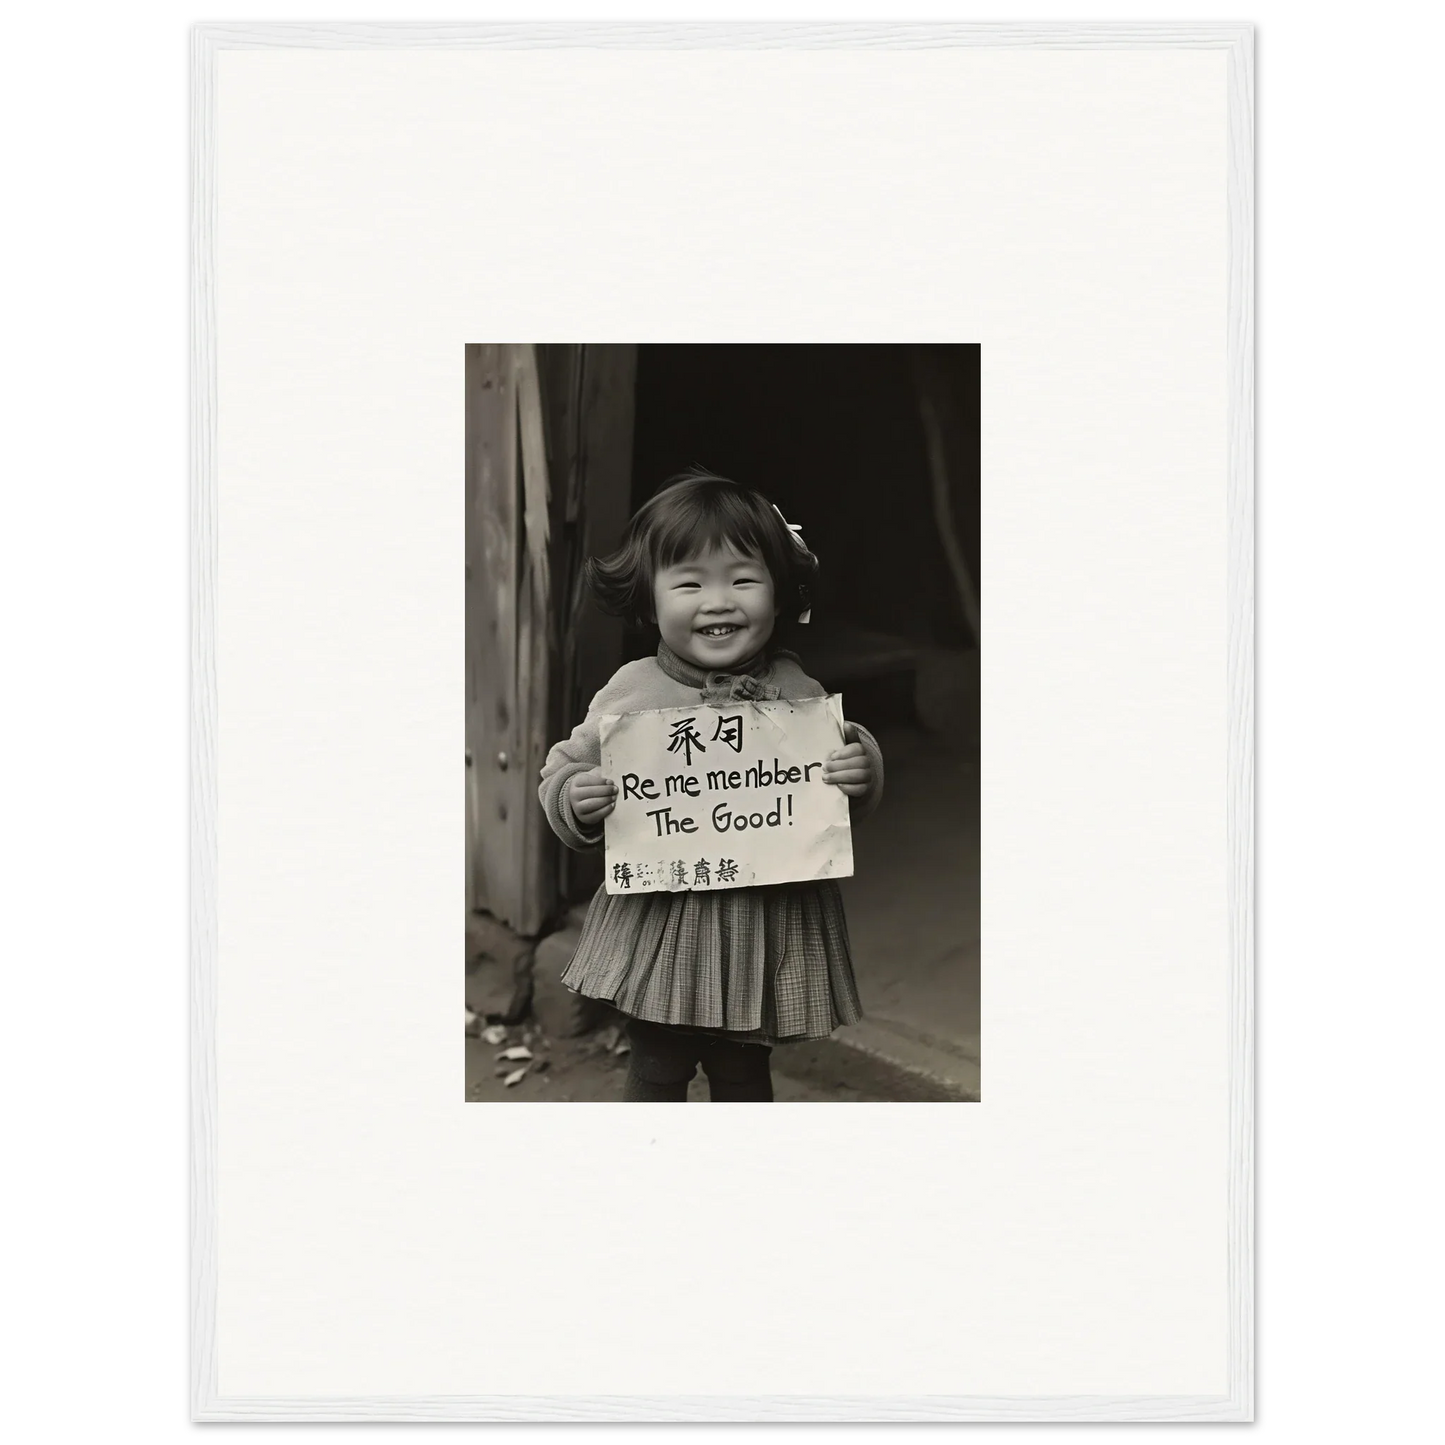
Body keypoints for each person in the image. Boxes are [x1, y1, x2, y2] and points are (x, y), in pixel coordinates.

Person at [537, 468, 884, 1101]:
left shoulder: (798, 694)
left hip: (762, 928)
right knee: (657, 1067)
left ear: (779, 596)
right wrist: (575, 797)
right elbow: (563, 766)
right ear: (649, 600)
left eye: (743, 579)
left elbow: (827, 793)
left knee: (743, 1074)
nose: (718, 600)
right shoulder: (632, 692)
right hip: (666, 925)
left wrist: (858, 770)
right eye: (690, 582)